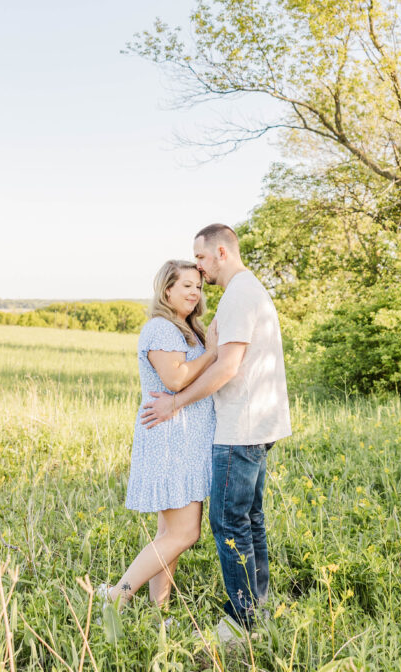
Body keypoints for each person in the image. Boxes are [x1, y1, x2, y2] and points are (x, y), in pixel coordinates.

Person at [141, 224, 292, 638]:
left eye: (202, 259)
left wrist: (174, 403)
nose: (201, 270)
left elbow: (227, 367)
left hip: (240, 428)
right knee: (250, 519)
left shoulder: (240, 294)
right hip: (253, 423)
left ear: (222, 253)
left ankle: (241, 622)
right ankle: (257, 610)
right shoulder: (245, 292)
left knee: (230, 523)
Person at [96, 260, 217, 610]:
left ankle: (158, 611)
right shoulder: (162, 329)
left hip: (184, 442)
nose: (195, 293)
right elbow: (176, 379)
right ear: (167, 290)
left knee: (170, 536)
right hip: (170, 442)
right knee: (184, 534)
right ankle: (118, 594)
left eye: (198, 287)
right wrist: (211, 353)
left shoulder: (185, 328)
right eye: (187, 286)